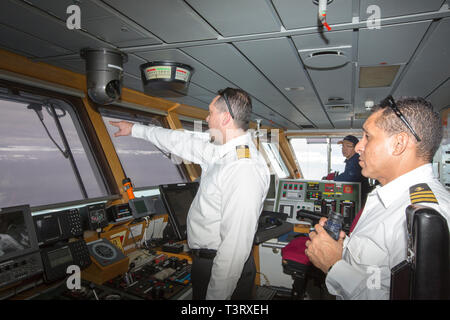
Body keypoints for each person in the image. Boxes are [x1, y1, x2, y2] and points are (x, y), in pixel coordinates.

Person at [110, 87, 270, 300]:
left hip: (223, 270)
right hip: (206, 263)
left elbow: (234, 249)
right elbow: (181, 142)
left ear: (224, 118)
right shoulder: (221, 152)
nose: (206, 118)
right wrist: (134, 129)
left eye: (210, 113)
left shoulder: (243, 169)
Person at [305, 96, 450, 299]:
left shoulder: (426, 214)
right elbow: (376, 268)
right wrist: (341, 247)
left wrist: (334, 266)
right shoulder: (386, 196)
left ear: (399, 143)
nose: (358, 147)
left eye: (368, 137)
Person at [333, 135, 370, 205]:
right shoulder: (350, 161)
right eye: (343, 146)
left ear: (355, 148)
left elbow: (349, 176)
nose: (344, 149)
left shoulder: (356, 161)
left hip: (360, 200)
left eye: (348, 146)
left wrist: (333, 178)